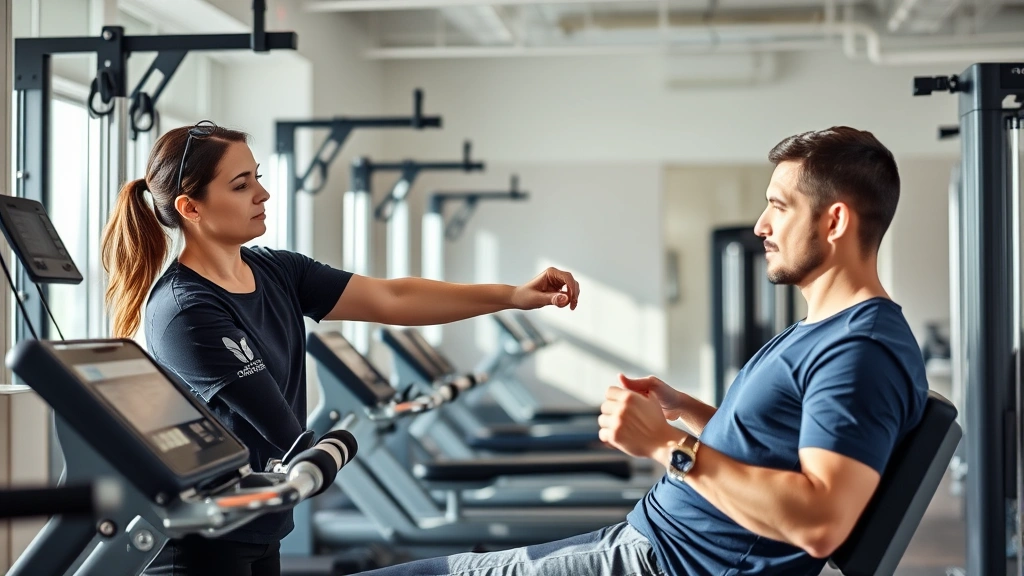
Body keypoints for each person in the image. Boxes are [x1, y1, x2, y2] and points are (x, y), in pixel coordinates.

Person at [353, 126, 930, 576]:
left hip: (669, 563)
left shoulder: (859, 351)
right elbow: (779, 446)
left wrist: (665, 444)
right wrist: (688, 411)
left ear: (833, 221)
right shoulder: (831, 330)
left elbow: (822, 522)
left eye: (779, 206)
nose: (759, 225)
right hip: (656, 544)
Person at [100, 120, 581, 576]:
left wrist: (512, 296)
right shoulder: (185, 308)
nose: (263, 194)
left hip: (262, 520)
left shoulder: (277, 271)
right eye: (241, 184)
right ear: (191, 208)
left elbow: (393, 297)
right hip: (200, 539)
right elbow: (277, 425)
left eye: (258, 178)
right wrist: (319, 449)